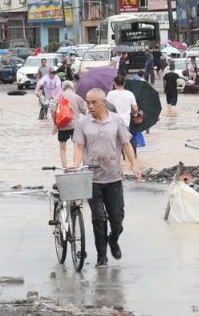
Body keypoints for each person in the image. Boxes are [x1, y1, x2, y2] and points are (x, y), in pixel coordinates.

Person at [72, 88, 142, 269]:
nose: (90, 106)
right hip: (92, 178)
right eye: (88, 103)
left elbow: (126, 144)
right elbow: (79, 147)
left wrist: (134, 165)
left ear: (104, 102)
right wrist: (75, 166)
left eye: (94, 102)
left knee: (117, 218)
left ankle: (113, 238)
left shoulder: (116, 120)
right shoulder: (83, 122)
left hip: (113, 177)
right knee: (98, 218)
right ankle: (101, 257)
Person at [54, 81, 88, 168]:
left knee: (62, 148)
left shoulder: (58, 97)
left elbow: (53, 111)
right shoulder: (77, 97)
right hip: (75, 125)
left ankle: (65, 168)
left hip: (62, 125)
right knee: (77, 147)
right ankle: (75, 166)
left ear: (63, 88)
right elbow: (86, 111)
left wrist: (55, 125)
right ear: (72, 88)